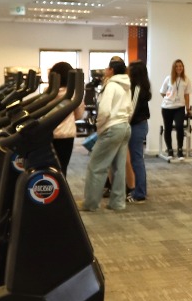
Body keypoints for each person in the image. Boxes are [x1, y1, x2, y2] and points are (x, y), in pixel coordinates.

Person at [82, 57, 132, 213]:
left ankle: (90, 204)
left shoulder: (111, 86)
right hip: (124, 127)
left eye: (107, 68)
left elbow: (104, 111)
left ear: (111, 70)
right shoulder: (126, 86)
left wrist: (99, 126)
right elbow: (130, 109)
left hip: (112, 128)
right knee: (118, 167)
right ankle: (117, 203)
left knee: (96, 166)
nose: (104, 71)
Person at [48, 61, 83, 178]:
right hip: (66, 135)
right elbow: (79, 115)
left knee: (49, 168)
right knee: (62, 168)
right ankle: (61, 188)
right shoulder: (74, 94)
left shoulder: (47, 93)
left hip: (48, 134)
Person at [124, 60, 151, 204]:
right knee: (135, 159)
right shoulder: (137, 87)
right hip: (137, 125)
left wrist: (123, 124)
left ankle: (140, 193)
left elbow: (131, 111)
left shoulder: (138, 88)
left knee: (136, 160)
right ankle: (137, 190)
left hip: (136, 126)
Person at [160, 58, 192, 161]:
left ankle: (180, 150)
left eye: (180, 66)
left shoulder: (186, 79)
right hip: (167, 107)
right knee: (168, 128)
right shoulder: (168, 78)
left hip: (180, 107)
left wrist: (188, 108)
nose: (179, 68)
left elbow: (187, 95)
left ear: (183, 68)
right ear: (174, 68)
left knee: (179, 127)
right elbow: (162, 92)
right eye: (177, 66)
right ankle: (170, 150)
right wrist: (169, 98)